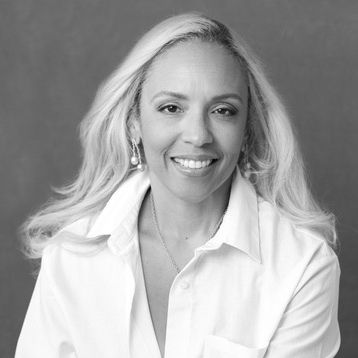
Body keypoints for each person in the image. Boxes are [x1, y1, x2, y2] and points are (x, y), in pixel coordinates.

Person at [16, 12, 340, 358]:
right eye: (171, 108)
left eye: (223, 110)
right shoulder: (71, 257)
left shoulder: (303, 266)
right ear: (134, 122)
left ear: (248, 129)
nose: (198, 136)